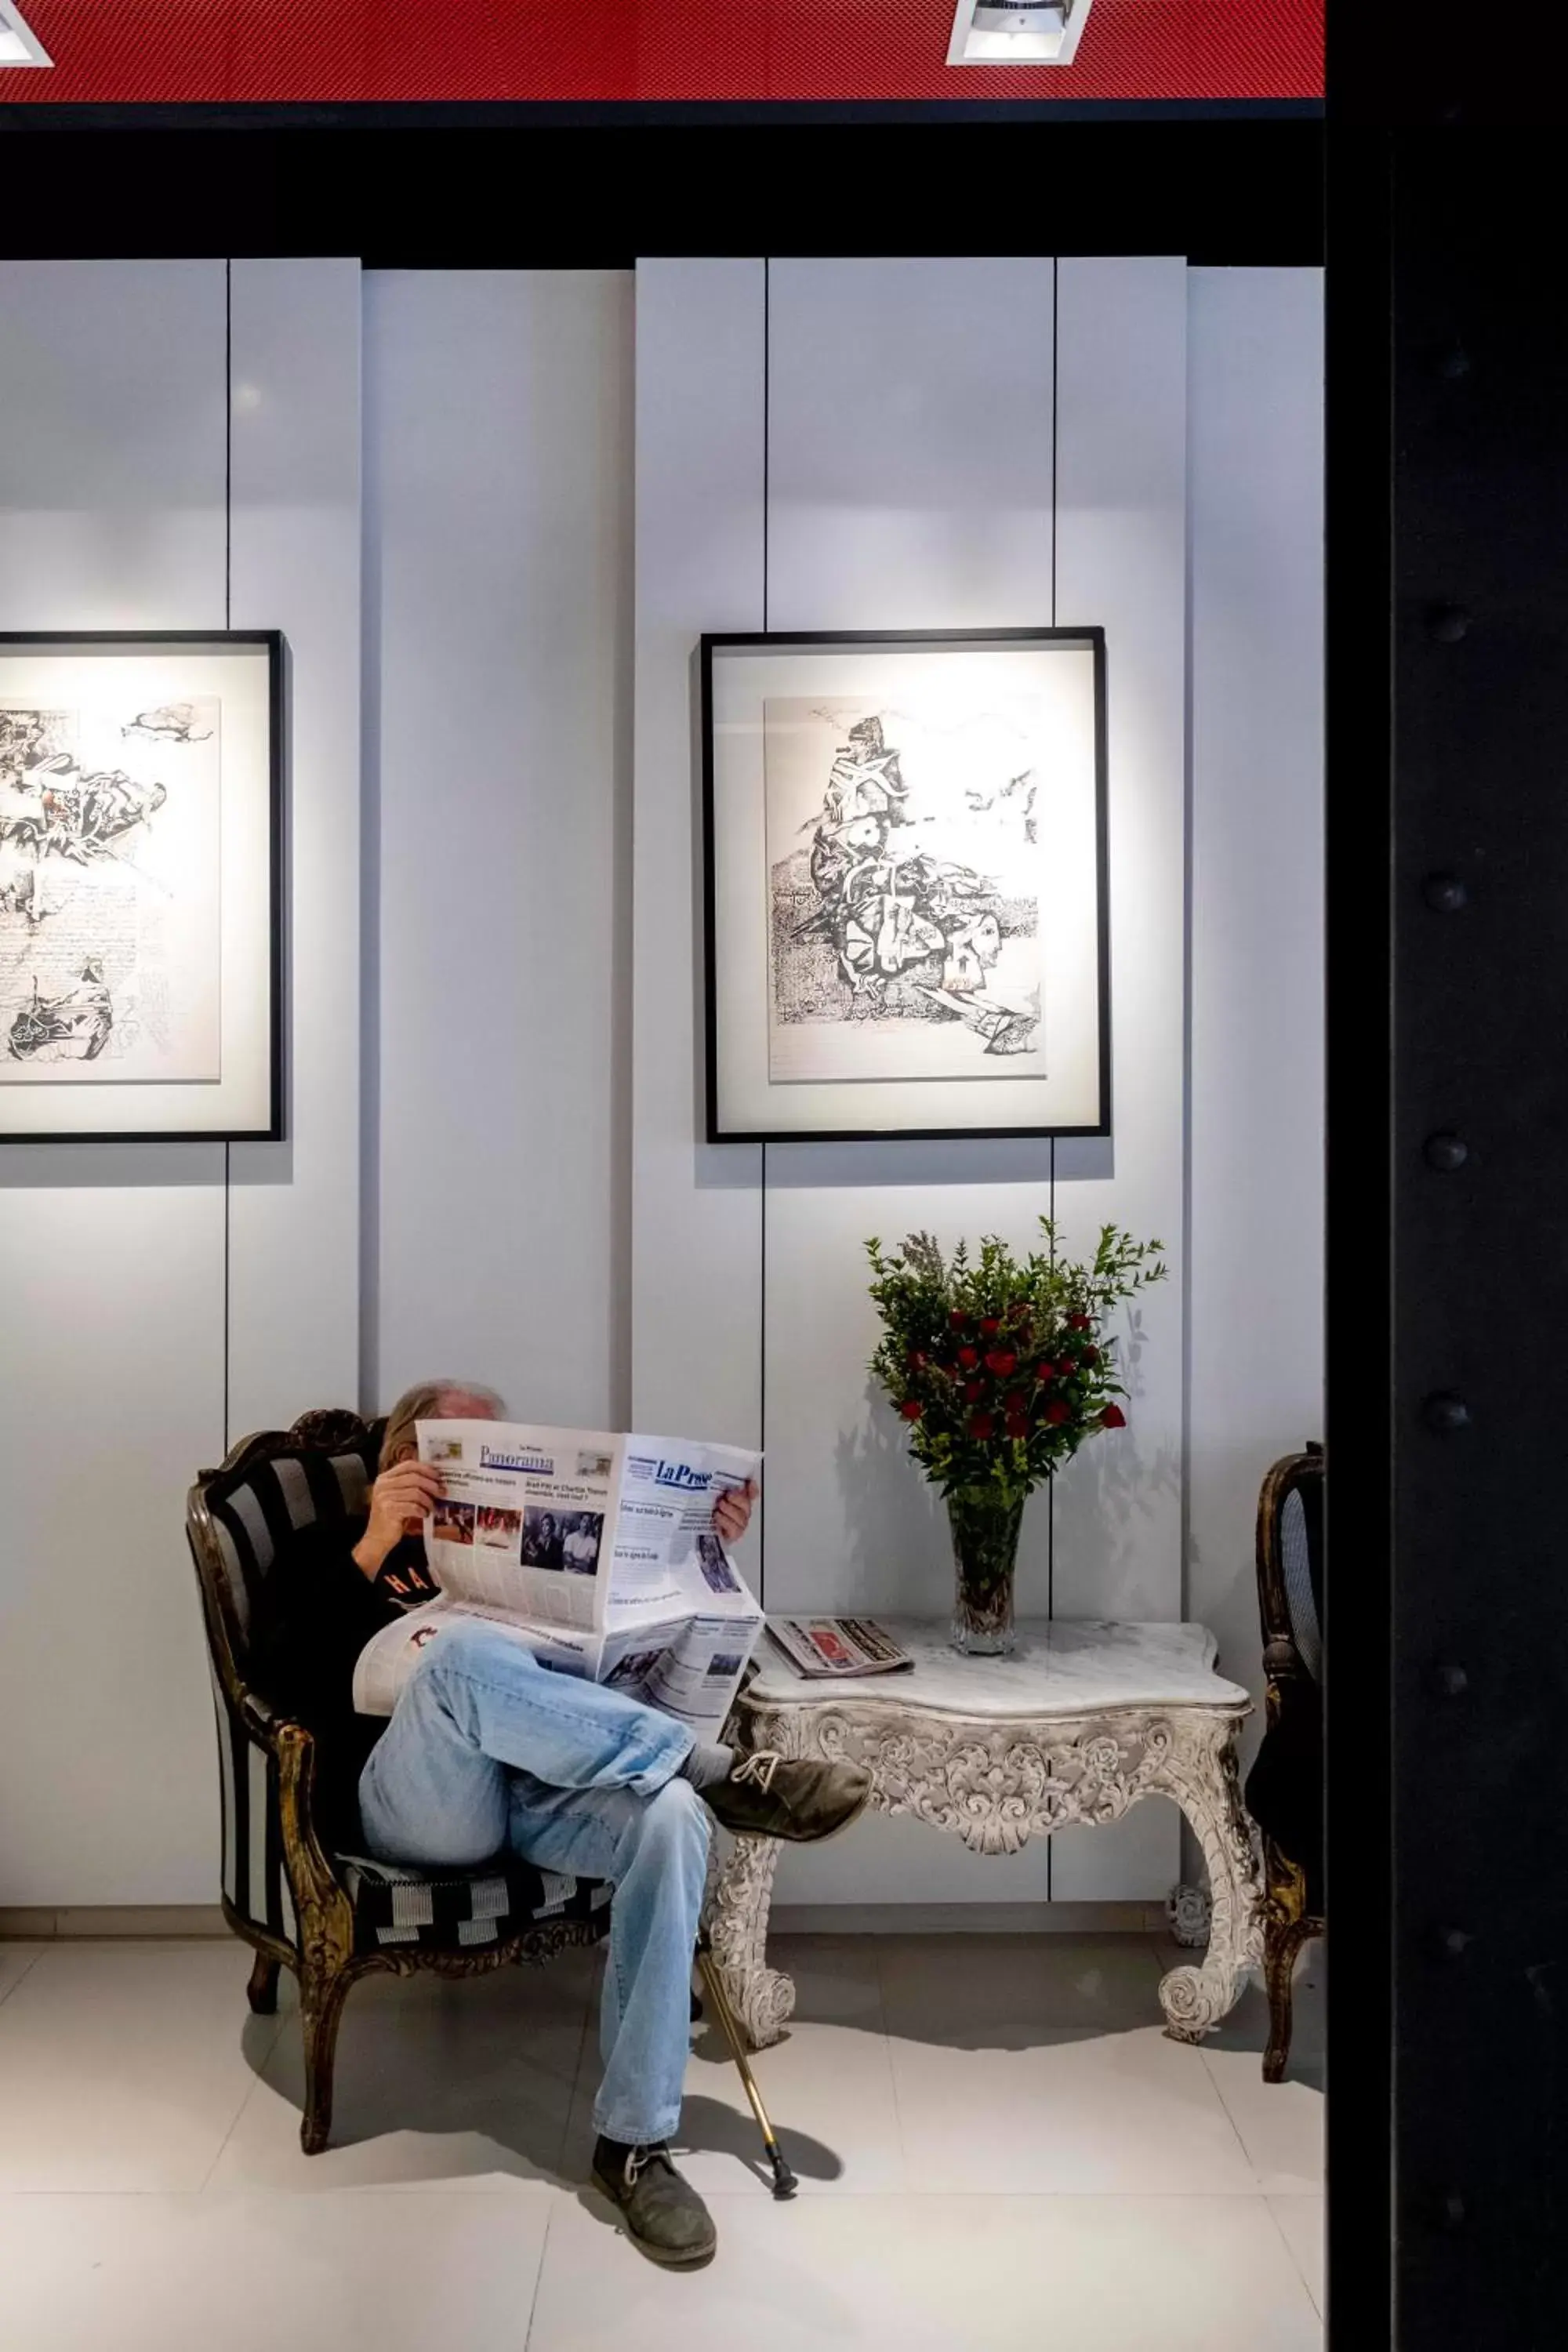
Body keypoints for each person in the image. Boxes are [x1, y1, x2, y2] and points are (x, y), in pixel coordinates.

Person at [253, 1379, 872, 2270]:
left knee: (669, 1819)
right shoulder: (331, 1547)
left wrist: (692, 1552)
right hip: (412, 1804)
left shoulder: (536, 1554)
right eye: (446, 1456)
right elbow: (274, 1679)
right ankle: (722, 1776)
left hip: (540, 1791)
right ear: (399, 1462)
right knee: (464, 1659)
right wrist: (376, 1541)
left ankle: (633, 2143)